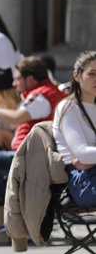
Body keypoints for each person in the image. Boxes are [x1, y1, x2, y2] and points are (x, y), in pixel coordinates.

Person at [0, 56, 66, 204]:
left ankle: (11, 203)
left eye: (17, 78)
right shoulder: (44, 94)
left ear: (30, 79)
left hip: (30, 159)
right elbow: (15, 124)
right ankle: (9, 202)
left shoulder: (41, 96)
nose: (14, 83)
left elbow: (16, 117)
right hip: (30, 156)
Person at [53, 50, 96, 208]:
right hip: (82, 181)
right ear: (77, 76)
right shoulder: (69, 107)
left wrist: (91, 160)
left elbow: (87, 157)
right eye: (92, 74)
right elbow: (82, 154)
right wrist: (89, 160)